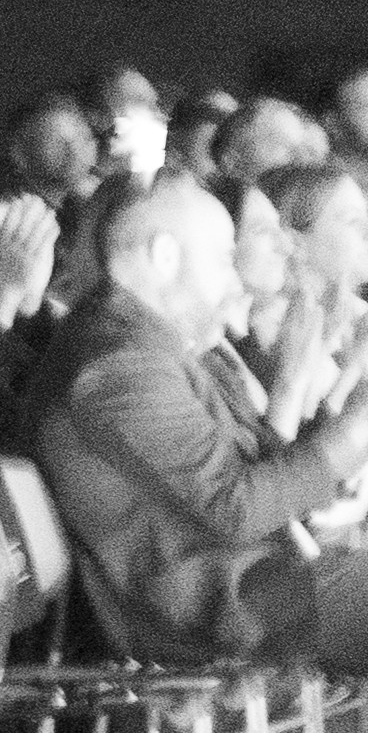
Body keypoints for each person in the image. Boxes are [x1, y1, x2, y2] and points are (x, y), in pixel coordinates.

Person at [26, 174, 368, 678]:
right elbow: (238, 508)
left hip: (264, 583)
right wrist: (356, 434)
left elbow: (266, 476)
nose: (235, 282)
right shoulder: (119, 363)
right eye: (225, 260)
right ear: (165, 256)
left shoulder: (154, 348)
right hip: (225, 606)